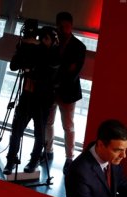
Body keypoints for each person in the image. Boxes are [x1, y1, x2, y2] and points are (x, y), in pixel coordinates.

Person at [3, 25, 60, 175]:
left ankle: (34, 161)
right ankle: (10, 160)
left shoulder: (56, 55)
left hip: (43, 100)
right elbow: (14, 66)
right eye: (41, 38)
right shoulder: (34, 50)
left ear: (54, 40)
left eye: (46, 38)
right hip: (27, 95)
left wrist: (32, 68)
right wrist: (22, 47)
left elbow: (46, 75)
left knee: (39, 133)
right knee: (16, 129)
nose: (42, 41)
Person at [43, 11, 86, 174]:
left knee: (68, 126)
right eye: (60, 26)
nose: (62, 29)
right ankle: (48, 150)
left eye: (66, 26)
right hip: (51, 90)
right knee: (48, 122)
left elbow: (74, 73)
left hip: (67, 92)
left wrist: (57, 81)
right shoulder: (52, 42)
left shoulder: (79, 46)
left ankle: (70, 157)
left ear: (71, 26)